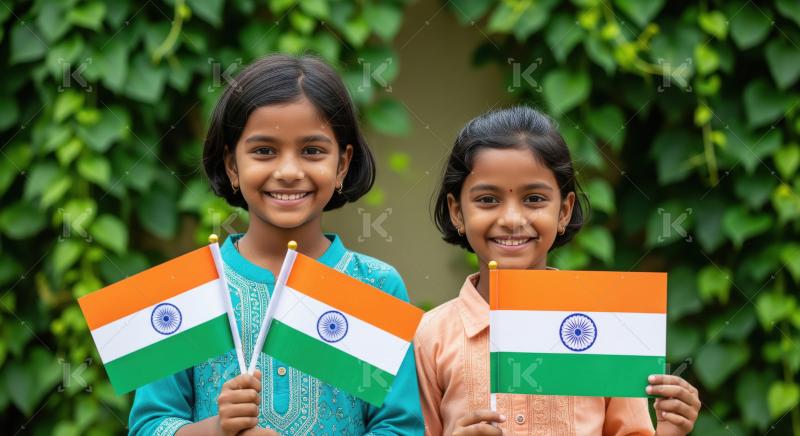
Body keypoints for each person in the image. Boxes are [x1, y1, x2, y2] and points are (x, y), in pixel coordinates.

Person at [129, 54, 423, 436]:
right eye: (264, 151)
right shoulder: (183, 289)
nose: (288, 172)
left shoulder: (376, 286)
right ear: (232, 165)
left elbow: (399, 428)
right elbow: (148, 425)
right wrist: (216, 430)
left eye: (312, 151)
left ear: (342, 165)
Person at [414, 106, 700, 435]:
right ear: (457, 212)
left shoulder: (603, 326)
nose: (511, 219)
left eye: (534, 198)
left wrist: (670, 429)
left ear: (564, 211)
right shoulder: (430, 337)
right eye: (488, 200)